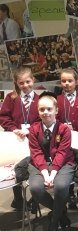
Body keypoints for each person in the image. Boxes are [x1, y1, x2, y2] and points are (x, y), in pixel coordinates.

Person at [28, 91, 75, 231]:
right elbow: (36, 153)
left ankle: (53, 223)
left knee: (61, 186)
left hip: (63, 163)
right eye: (42, 109)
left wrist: (52, 174)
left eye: (49, 109)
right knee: (35, 188)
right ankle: (61, 213)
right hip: (39, 164)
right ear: (38, 111)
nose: (46, 112)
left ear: (56, 110)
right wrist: (45, 174)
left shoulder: (64, 129)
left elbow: (62, 153)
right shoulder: (34, 130)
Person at [0, 67, 40, 211]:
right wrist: (14, 129)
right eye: (21, 83)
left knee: (35, 166)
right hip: (15, 139)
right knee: (15, 166)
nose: (25, 85)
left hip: (34, 139)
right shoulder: (11, 98)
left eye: (28, 81)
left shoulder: (40, 100)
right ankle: (18, 198)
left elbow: (43, 119)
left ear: (33, 80)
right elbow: (3, 117)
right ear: (17, 83)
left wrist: (29, 130)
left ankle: (35, 199)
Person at [56, 67, 78, 208]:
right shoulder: (57, 100)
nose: (67, 84)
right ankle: (69, 194)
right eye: (63, 81)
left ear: (77, 82)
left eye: (70, 81)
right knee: (67, 165)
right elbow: (54, 119)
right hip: (63, 140)